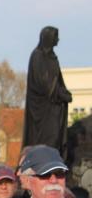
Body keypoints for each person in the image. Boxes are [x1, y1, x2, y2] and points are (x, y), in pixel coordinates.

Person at [22, 26, 72, 157]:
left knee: (56, 139)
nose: (58, 39)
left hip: (54, 107)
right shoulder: (37, 56)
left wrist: (64, 92)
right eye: (56, 37)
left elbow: (57, 80)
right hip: (41, 110)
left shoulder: (53, 57)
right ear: (49, 38)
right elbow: (43, 83)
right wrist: (61, 94)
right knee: (49, 138)